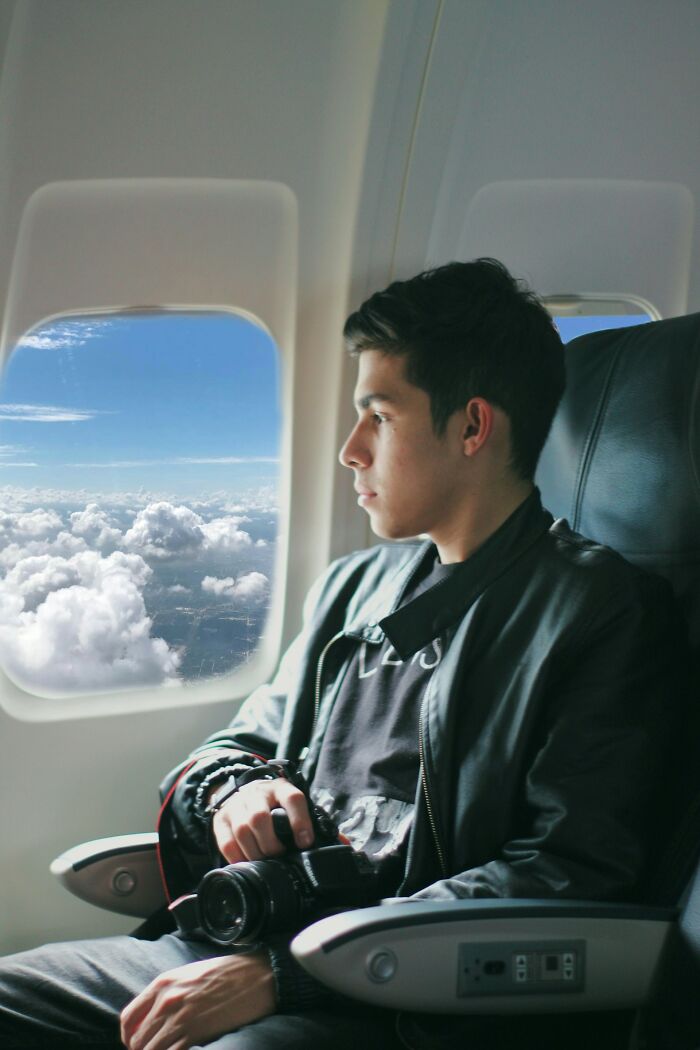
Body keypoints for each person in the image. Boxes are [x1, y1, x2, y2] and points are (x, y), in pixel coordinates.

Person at [0, 259, 686, 1050]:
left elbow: (565, 875)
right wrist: (236, 791)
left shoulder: (602, 615)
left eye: (379, 416)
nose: (349, 451)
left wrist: (288, 976)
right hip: (255, 944)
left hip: (400, 999)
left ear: (472, 427)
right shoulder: (354, 586)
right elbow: (234, 747)